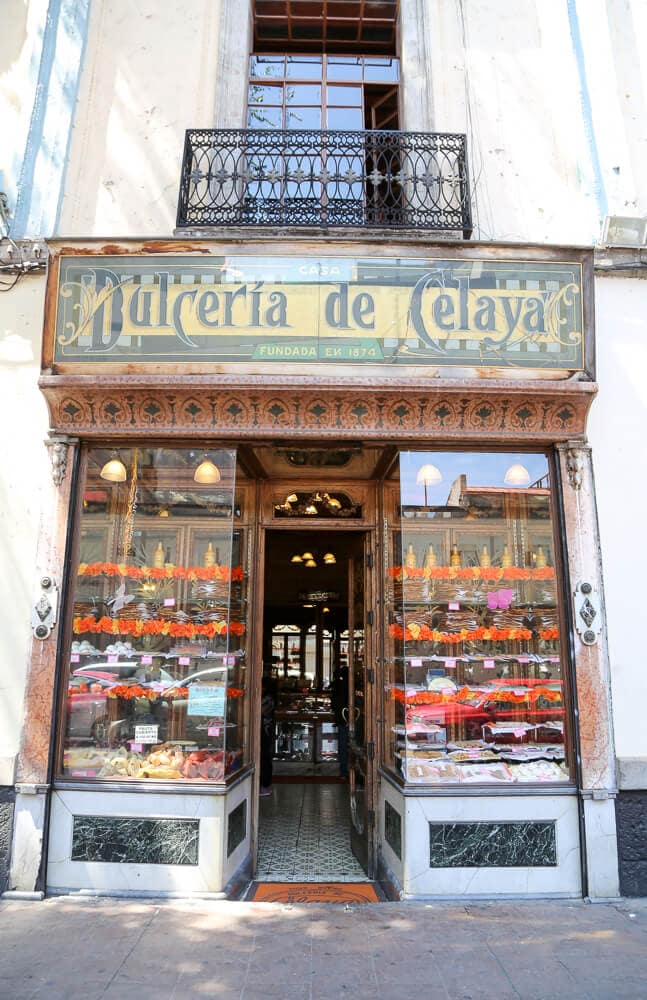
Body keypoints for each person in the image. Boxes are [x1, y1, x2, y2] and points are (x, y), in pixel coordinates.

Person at [330, 661, 349, 779]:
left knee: (343, 745)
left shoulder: (337, 684)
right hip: (354, 718)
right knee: (351, 745)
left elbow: (334, 703)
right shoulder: (351, 685)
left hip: (341, 719)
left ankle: (344, 771)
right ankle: (354, 772)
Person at [259, 668, 277, 797]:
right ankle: (265, 784)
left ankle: (265, 784)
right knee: (265, 757)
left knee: (264, 757)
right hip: (265, 730)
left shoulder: (268, 699)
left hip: (265, 731)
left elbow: (261, 712)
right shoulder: (268, 697)